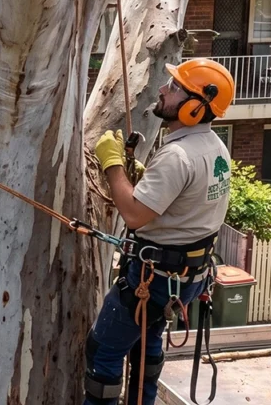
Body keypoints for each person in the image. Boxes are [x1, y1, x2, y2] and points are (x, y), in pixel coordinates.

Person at [84, 58, 236, 405]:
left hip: (152, 280)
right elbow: (183, 201)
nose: (163, 90)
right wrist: (145, 179)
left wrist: (112, 164)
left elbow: (135, 215)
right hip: (184, 278)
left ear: (196, 106)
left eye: (175, 87)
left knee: (102, 354)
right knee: (146, 348)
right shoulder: (215, 148)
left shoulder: (178, 156)